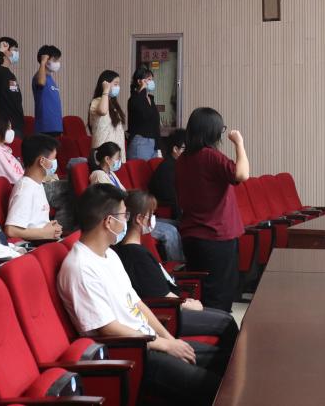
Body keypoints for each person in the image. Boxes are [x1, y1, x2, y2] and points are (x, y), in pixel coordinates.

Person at [58, 184, 229, 406]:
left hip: (149, 341)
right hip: (131, 354)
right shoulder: (80, 267)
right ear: (109, 222)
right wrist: (165, 345)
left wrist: (170, 340)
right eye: (124, 215)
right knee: (216, 388)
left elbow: (136, 303)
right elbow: (108, 328)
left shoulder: (109, 255)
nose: (126, 221)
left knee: (225, 362)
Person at [114, 191, 238, 349]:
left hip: (173, 305)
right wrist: (187, 304)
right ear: (139, 219)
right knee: (227, 322)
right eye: (151, 214)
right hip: (167, 314)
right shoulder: (135, 255)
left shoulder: (134, 249)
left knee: (225, 318)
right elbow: (160, 295)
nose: (154, 219)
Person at [175, 107, 249, 313]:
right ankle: (218, 330)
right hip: (216, 236)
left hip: (192, 235)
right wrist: (239, 144)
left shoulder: (182, 159)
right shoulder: (210, 156)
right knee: (219, 295)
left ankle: (204, 329)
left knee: (201, 294)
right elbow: (242, 174)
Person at [4, 134, 63, 242]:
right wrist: (45, 233)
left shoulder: (37, 184)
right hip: (36, 245)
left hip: (45, 240)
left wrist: (51, 227)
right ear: (42, 161)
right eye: (53, 159)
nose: (55, 163)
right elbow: (10, 230)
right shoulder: (25, 190)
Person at [0, 37, 24, 139]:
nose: (16, 53)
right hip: (5, 125)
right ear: (5, 51)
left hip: (17, 124)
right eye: (14, 50)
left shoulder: (10, 74)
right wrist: (0, 52)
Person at [88, 70, 126, 164]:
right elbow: (103, 111)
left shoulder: (114, 104)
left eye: (118, 84)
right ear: (105, 84)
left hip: (116, 153)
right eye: (115, 84)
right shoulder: (97, 101)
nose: (118, 87)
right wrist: (105, 90)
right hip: (103, 154)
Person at [149, 129, 186, 220]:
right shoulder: (167, 168)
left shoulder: (178, 164)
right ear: (175, 149)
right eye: (185, 148)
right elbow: (171, 197)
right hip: (170, 213)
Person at [127, 66, 160, 160]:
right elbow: (143, 114)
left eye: (152, 79)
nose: (151, 82)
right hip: (140, 142)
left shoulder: (151, 99)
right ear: (139, 81)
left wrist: (158, 147)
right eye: (148, 79)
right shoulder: (134, 99)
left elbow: (155, 123)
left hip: (153, 142)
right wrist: (142, 90)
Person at [33, 45, 63, 136]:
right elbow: (41, 82)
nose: (58, 63)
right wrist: (42, 63)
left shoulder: (51, 79)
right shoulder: (39, 76)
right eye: (55, 60)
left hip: (56, 126)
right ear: (46, 60)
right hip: (45, 127)